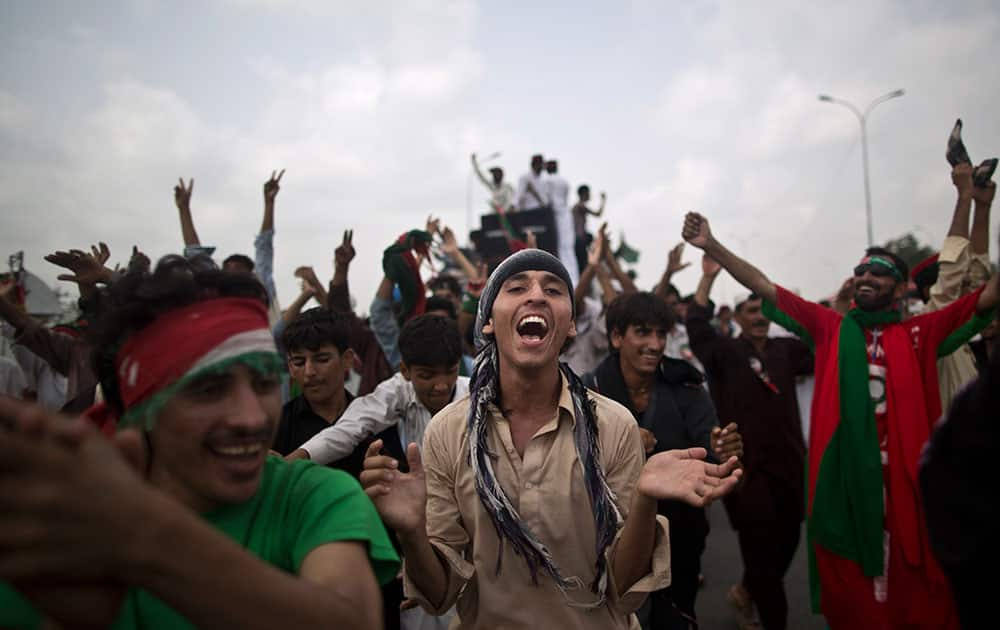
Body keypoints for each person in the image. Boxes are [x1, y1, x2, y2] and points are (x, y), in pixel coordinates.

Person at [0, 256, 398, 629]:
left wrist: (141, 536)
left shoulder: (311, 495)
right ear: (138, 414)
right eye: (209, 390)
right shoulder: (49, 522)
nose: (252, 418)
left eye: (263, 384)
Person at [360, 249, 742, 629]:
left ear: (571, 326)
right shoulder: (448, 431)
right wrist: (411, 533)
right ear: (489, 321)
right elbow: (438, 594)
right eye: (517, 287)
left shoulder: (612, 425)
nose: (537, 295)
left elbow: (625, 590)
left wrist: (645, 500)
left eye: (554, 289)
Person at [682, 211, 1000, 630]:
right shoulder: (829, 329)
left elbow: (985, 300)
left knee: (918, 601)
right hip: (846, 496)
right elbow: (762, 285)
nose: (866, 275)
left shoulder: (923, 333)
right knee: (854, 604)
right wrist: (713, 245)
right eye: (861, 269)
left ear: (902, 287)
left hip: (908, 500)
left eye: (880, 270)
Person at [584, 290, 744, 629]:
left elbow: (712, 452)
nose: (655, 344)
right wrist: (621, 440)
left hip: (681, 538)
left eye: (661, 333)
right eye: (642, 332)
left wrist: (722, 449)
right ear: (616, 337)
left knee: (675, 619)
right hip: (605, 542)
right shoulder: (586, 393)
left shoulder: (686, 386)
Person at [687, 254, 813, 630]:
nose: (759, 317)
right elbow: (695, 323)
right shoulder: (724, 351)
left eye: (764, 310)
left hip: (790, 466)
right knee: (763, 559)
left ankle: (745, 590)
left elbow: (827, 340)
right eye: (751, 310)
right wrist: (708, 278)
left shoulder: (786, 351)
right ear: (738, 318)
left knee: (788, 542)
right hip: (745, 473)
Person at [286, 314, 469, 467]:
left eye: (450, 371)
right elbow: (350, 429)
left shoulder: (477, 395)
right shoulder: (398, 391)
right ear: (405, 370)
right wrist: (294, 461)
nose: (441, 385)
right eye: (427, 376)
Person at [911, 163, 994, 411]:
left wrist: (983, 207)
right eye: (960, 279)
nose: (966, 282)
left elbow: (979, 275)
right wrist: (964, 196)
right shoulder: (927, 328)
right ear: (929, 291)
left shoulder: (963, 329)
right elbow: (951, 275)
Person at [545, 159, 580, 285]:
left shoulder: (547, 181)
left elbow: (546, 199)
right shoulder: (564, 181)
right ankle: (573, 279)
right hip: (565, 215)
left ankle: (568, 279)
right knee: (568, 249)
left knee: (560, 248)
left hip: (556, 215)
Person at [572, 184, 606, 273]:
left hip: (578, 239)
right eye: (588, 193)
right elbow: (598, 214)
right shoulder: (580, 206)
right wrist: (603, 200)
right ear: (584, 194)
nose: (590, 195)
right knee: (583, 267)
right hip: (579, 239)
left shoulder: (576, 207)